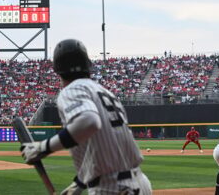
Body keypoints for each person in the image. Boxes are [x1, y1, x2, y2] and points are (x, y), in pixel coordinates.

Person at [21, 39, 152, 194]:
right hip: (140, 183)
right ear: (88, 65)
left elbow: (89, 121)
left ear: (57, 70)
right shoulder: (104, 92)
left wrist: (42, 148)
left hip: (112, 187)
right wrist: (79, 183)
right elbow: (100, 145)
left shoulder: (72, 90)